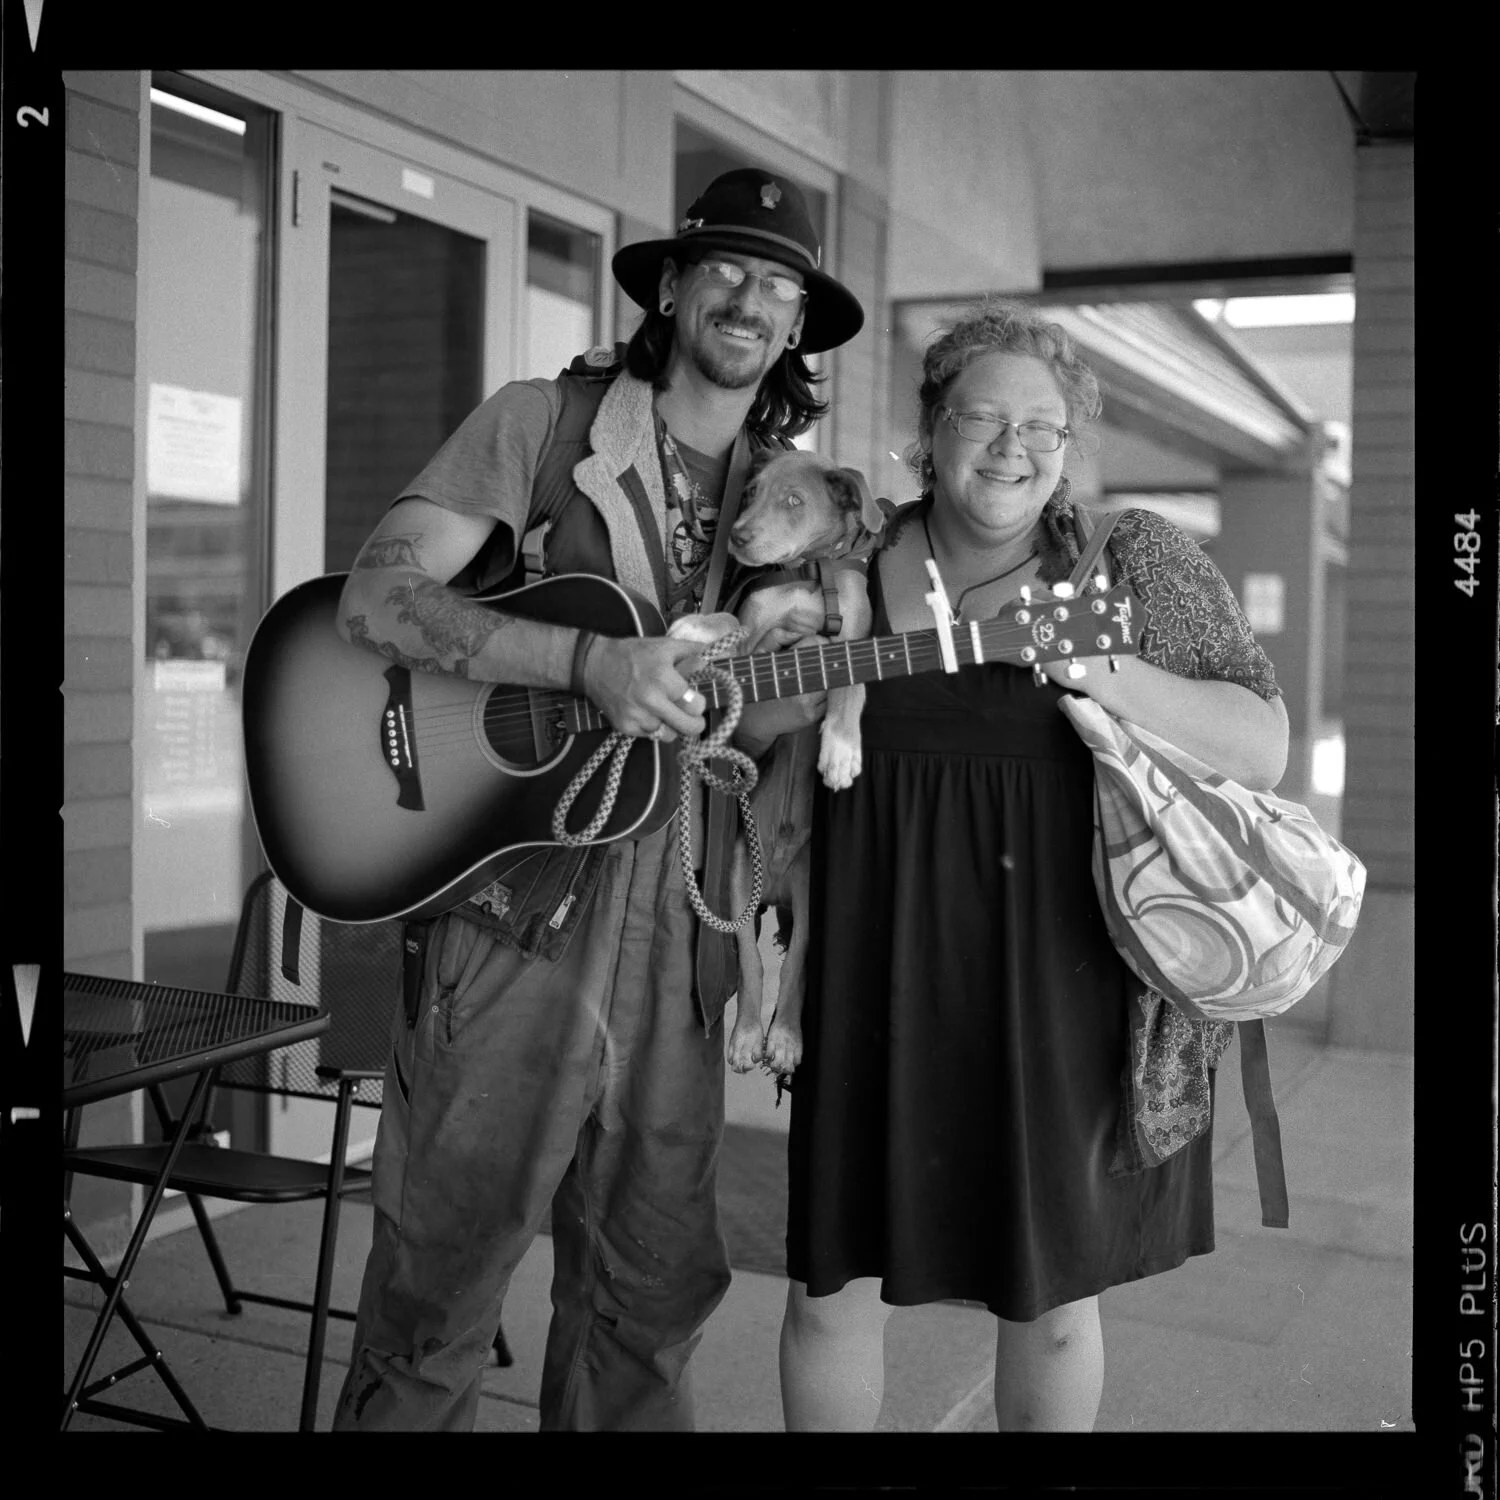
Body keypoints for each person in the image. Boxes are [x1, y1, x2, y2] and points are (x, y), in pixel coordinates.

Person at [328, 169, 863, 1431]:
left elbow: (770, 730)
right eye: (727, 269)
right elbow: (373, 597)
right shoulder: (544, 424)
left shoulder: (802, 504)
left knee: (647, 1308)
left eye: (779, 287)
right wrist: (587, 661)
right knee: (438, 1294)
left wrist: (817, 681)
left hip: (686, 942)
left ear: (795, 329)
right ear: (671, 289)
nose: (751, 299)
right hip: (515, 914)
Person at [777, 298, 1289, 1432]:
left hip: (1066, 990)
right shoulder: (847, 563)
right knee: (829, 1297)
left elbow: (1263, 741)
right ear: (929, 431)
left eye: (1042, 428)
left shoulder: (1132, 557)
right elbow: (764, 740)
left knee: (1053, 1308)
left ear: (1068, 446)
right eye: (981, 417)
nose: (1012, 447)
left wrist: (1108, 673)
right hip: (874, 976)